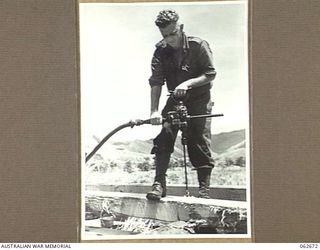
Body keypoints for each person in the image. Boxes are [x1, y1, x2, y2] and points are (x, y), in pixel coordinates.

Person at [146, 9, 217, 200]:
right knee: (165, 135)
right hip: (175, 99)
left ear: (181, 28)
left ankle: (204, 191)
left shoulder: (198, 45)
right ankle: (159, 183)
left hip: (200, 99)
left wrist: (186, 84)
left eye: (173, 33)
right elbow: (156, 82)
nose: (169, 39)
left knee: (199, 140)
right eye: (165, 35)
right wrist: (154, 111)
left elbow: (210, 74)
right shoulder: (160, 51)